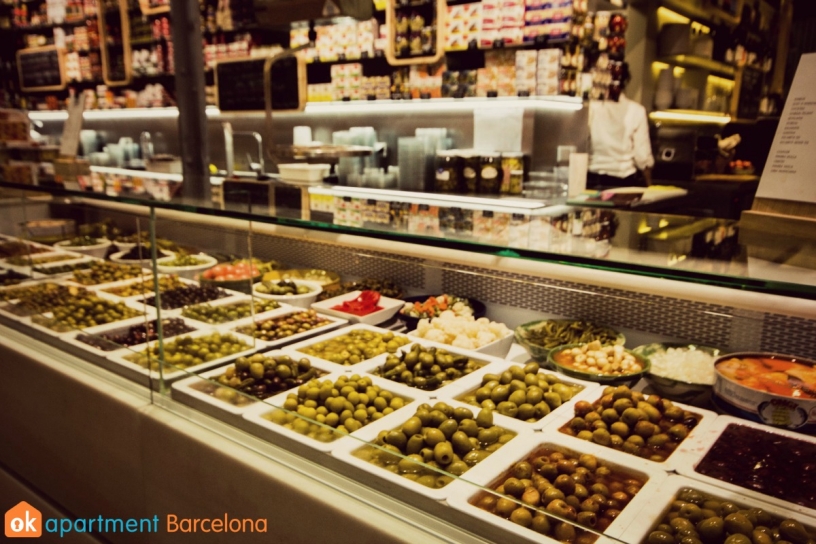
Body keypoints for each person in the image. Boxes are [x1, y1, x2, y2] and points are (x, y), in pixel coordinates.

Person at [587, 63, 654, 189]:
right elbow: (642, 156)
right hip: (623, 181)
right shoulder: (637, 110)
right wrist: (649, 185)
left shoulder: (591, 107)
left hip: (593, 178)